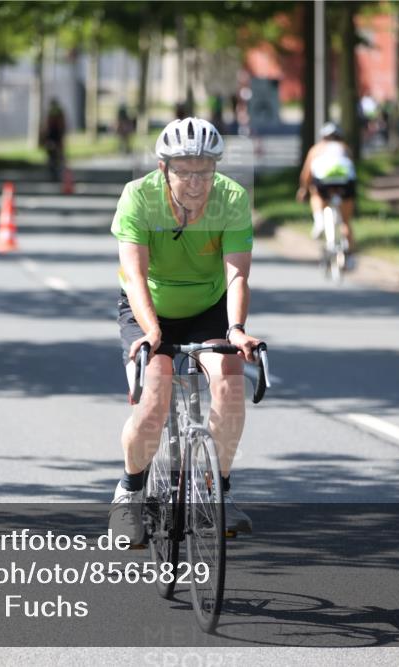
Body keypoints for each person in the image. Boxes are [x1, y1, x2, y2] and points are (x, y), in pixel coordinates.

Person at [109, 117, 263, 545]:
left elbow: (236, 277)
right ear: (164, 169)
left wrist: (236, 329)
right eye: (184, 170)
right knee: (154, 399)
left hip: (210, 306)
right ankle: (130, 491)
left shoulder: (231, 199)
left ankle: (219, 490)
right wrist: (153, 331)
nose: (195, 182)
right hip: (148, 308)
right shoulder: (138, 197)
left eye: (205, 170)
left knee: (231, 388)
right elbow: (135, 277)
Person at [297, 122, 358, 254]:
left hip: (324, 181)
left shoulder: (317, 148)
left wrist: (304, 189)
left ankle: (319, 220)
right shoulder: (345, 148)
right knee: (346, 221)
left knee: (316, 194)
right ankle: (349, 255)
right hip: (345, 182)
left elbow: (307, 173)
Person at [41, 98, 66, 180]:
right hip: (57, 135)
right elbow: (62, 124)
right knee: (58, 153)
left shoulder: (50, 112)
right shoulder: (59, 111)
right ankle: (58, 167)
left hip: (52, 135)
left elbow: (46, 125)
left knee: (51, 153)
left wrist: (44, 137)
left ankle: (53, 167)